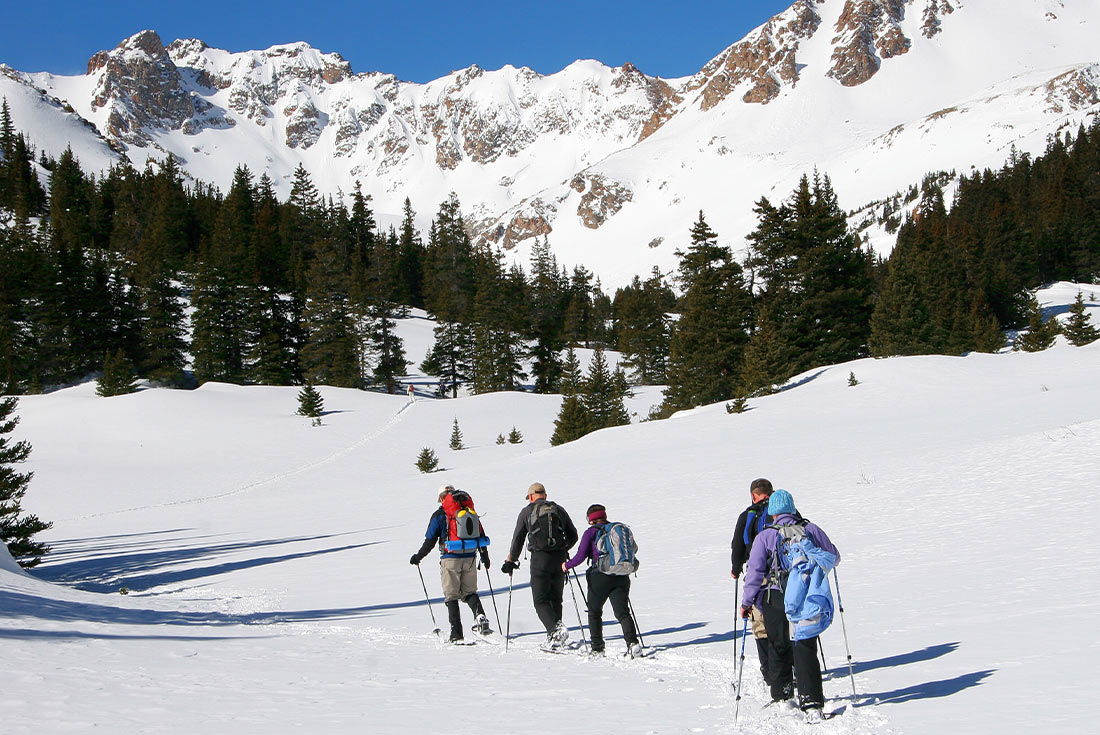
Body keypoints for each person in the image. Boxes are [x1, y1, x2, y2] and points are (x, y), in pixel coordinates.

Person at [741, 489, 839, 719]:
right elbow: (834, 556)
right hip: (805, 596)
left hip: (775, 596)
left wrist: (747, 602)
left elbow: (754, 572)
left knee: (777, 644)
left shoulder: (765, 536)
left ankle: (783, 696)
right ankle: (812, 703)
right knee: (805, 645)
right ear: (793, 508)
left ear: (773, 513)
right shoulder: (811, 529)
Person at [410, 483, 492, 643]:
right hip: (470, 556)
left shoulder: (440, 515)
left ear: (441, 498)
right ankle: (480, 617)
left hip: (450, 558)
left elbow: (430, 540)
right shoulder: (470, 512)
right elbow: (481, 535)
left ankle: (456, 634)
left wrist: (418, 557)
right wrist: (485, 556)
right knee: (470, 592)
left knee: (451, 596)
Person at [501, 482, 579, 650]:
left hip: (539, 559)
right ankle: (555, 636)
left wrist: (511, 560)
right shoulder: (558, 509)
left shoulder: (527, 512)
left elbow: (518, 539)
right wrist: (563, 548)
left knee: (540, 600)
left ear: (530, 497)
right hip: (560, 559)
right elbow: (574, 535)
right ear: (545, 494)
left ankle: (555, 631)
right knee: (556, 598)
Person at [563, 504, 641, 657]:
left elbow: (581, 556)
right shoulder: (618, 529)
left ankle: (597, 648)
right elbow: (634, 549)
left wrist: (566, 565)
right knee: (623, 612)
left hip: (599, 576)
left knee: (594, 612)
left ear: (590, 519)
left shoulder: (591, 532)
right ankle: (633, 644)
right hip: (621, 575)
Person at [731, 478, 776, 685]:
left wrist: (735, 568)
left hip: (757, 575)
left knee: (760, 623)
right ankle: (790, 666)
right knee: (785, 621)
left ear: (753, 495)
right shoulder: (785, 512)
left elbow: (737, 546)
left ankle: (768, 669)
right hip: (785, 575)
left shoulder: (748, 514)